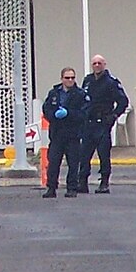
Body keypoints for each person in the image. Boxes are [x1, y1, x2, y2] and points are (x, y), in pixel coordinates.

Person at [79, 54, 130, 194]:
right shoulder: (88, 80)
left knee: (103, 155)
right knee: (84, 155)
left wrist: (113, 115)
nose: (96, 65)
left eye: (99, 63)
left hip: (103, 123)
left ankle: (104, 182)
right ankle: (82, 182)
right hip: (88, 123)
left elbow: (123, 101)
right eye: (94, 63)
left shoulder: (111, 82)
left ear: (104, 64)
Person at [40, 67, 87, 198]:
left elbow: (84, 114)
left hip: (73, 134)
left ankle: (72, 188)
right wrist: (54, 115)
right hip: (57, 134)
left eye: (72, 77)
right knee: (53, 162)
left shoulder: (80, 94)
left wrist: (68, 114)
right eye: (67, 78)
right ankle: (51, 188)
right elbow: (46, 109)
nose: (70, 80)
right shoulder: (54, 93)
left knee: (73, 163)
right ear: (62, 79)